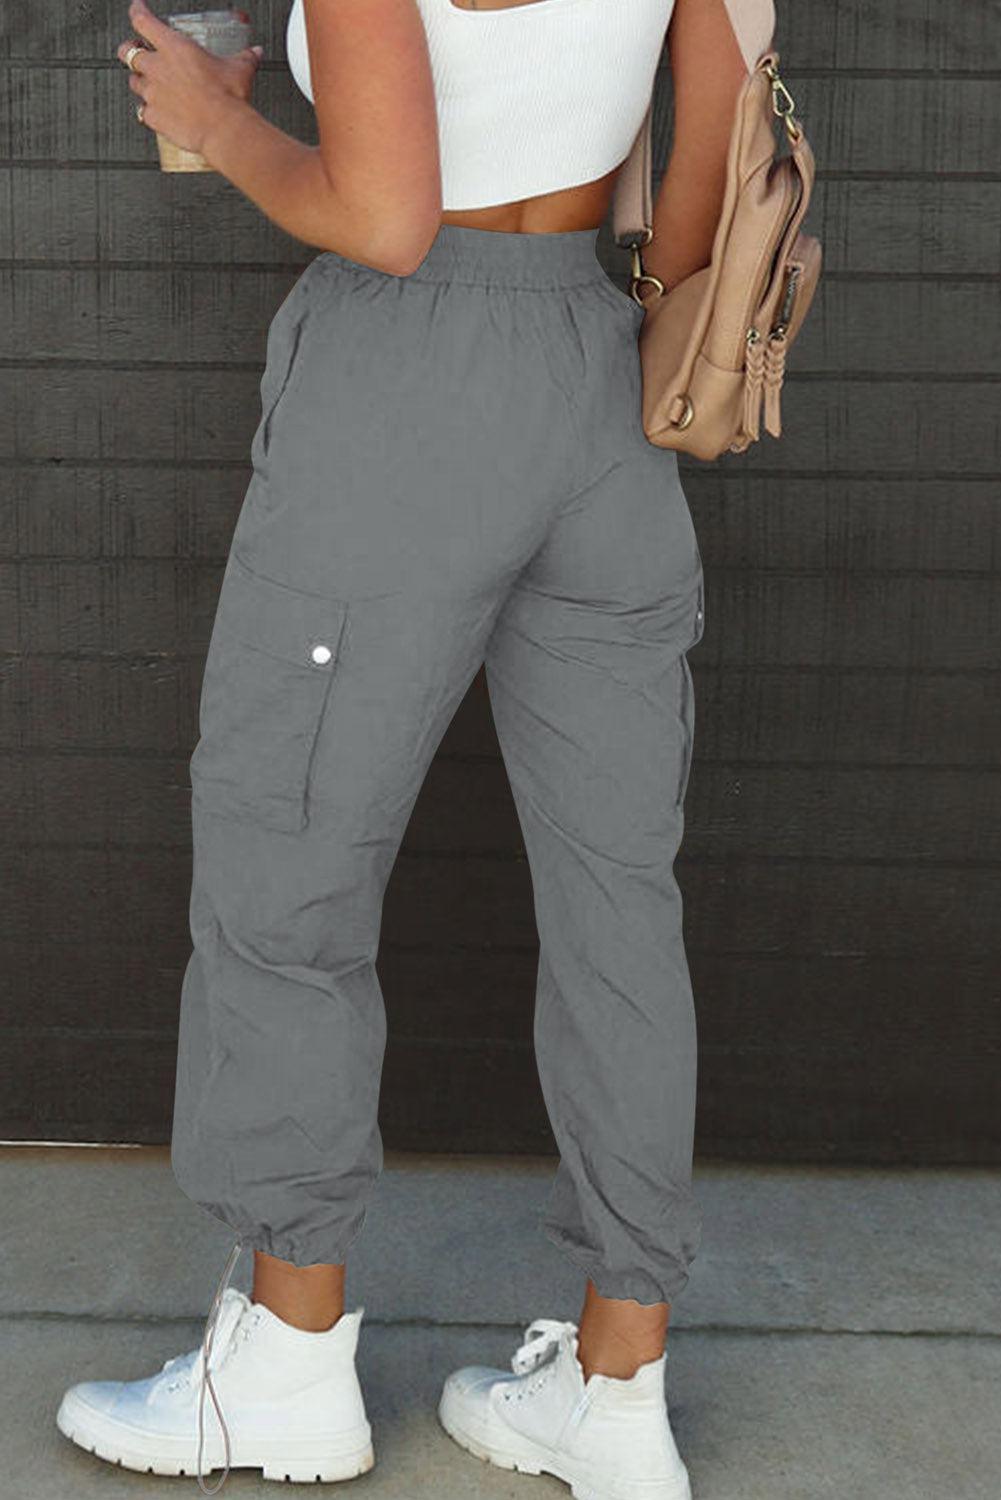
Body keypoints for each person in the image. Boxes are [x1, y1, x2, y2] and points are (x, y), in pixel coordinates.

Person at [56, 0, 772, 1494]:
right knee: (619, 908)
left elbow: (382, 217)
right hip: (604, 382)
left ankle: (288, 1369)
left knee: (289, 866)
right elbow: (698, 193)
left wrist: (218, 119)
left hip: (403, 379)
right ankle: (616, 1391)